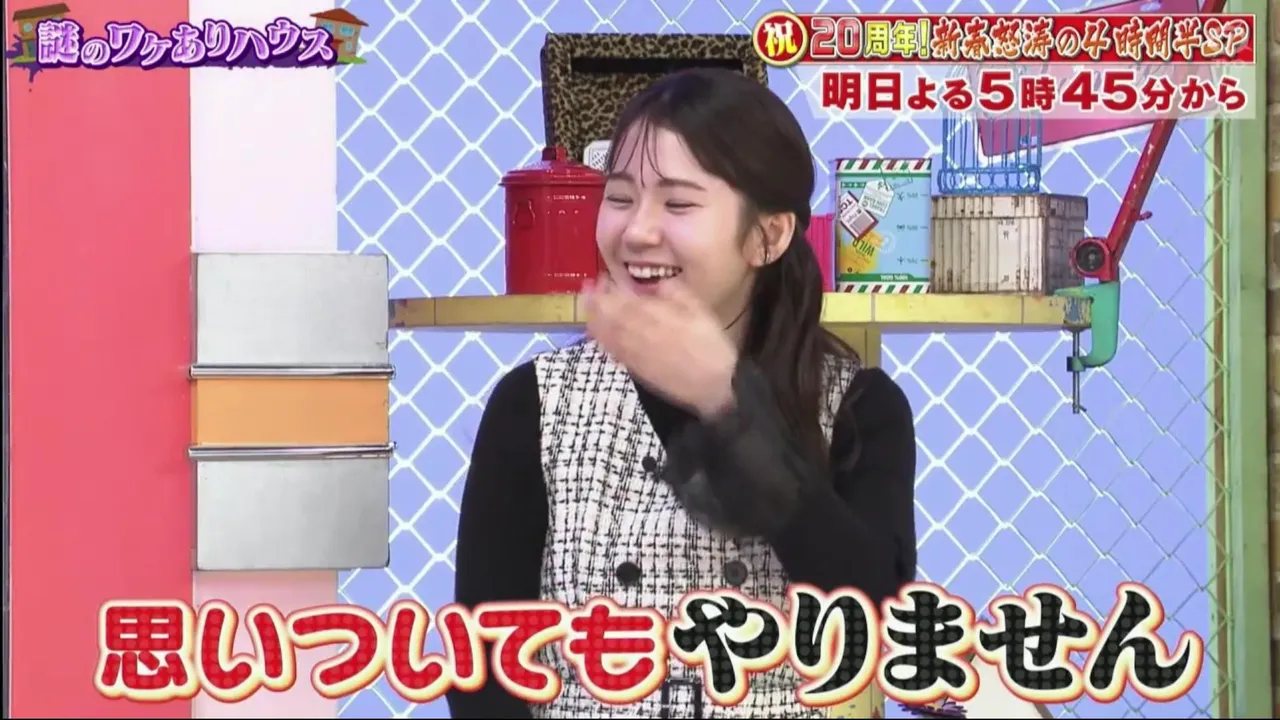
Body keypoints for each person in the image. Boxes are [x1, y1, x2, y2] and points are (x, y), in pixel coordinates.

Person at [446, 67, 918, 719]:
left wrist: (728, 404)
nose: (637, 232)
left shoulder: (858, 405)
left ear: (769, 235)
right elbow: (483, 666)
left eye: (677, 204)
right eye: (619, 197)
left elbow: (879, 619)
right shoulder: (534, 402)